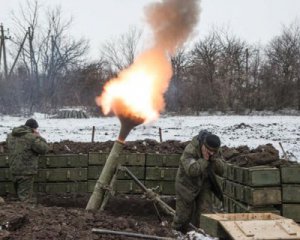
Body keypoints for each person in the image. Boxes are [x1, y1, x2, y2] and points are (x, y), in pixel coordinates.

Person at [172, 130, 224, 233]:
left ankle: (202, 234)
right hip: (186, 185)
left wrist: (213, 160)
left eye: (214, 152)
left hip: (204, 183)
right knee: (183, 217)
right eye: (210, 151)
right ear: (203, 146)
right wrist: (204, 160)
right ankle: (176, 233)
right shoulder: (190, 150)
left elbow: (222, 170)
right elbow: (192, 171)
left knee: (205, 214)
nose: (211, 154)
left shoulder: (215, 151)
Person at [6, 118, 49, 202]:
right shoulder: (31, 137)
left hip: (14, 170)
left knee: (19, 196)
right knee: (25, 200)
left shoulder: (10, 136)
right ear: (33, 128)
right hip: (26, 172)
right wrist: (39, 137)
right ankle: (25, 214)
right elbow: (44, 149)